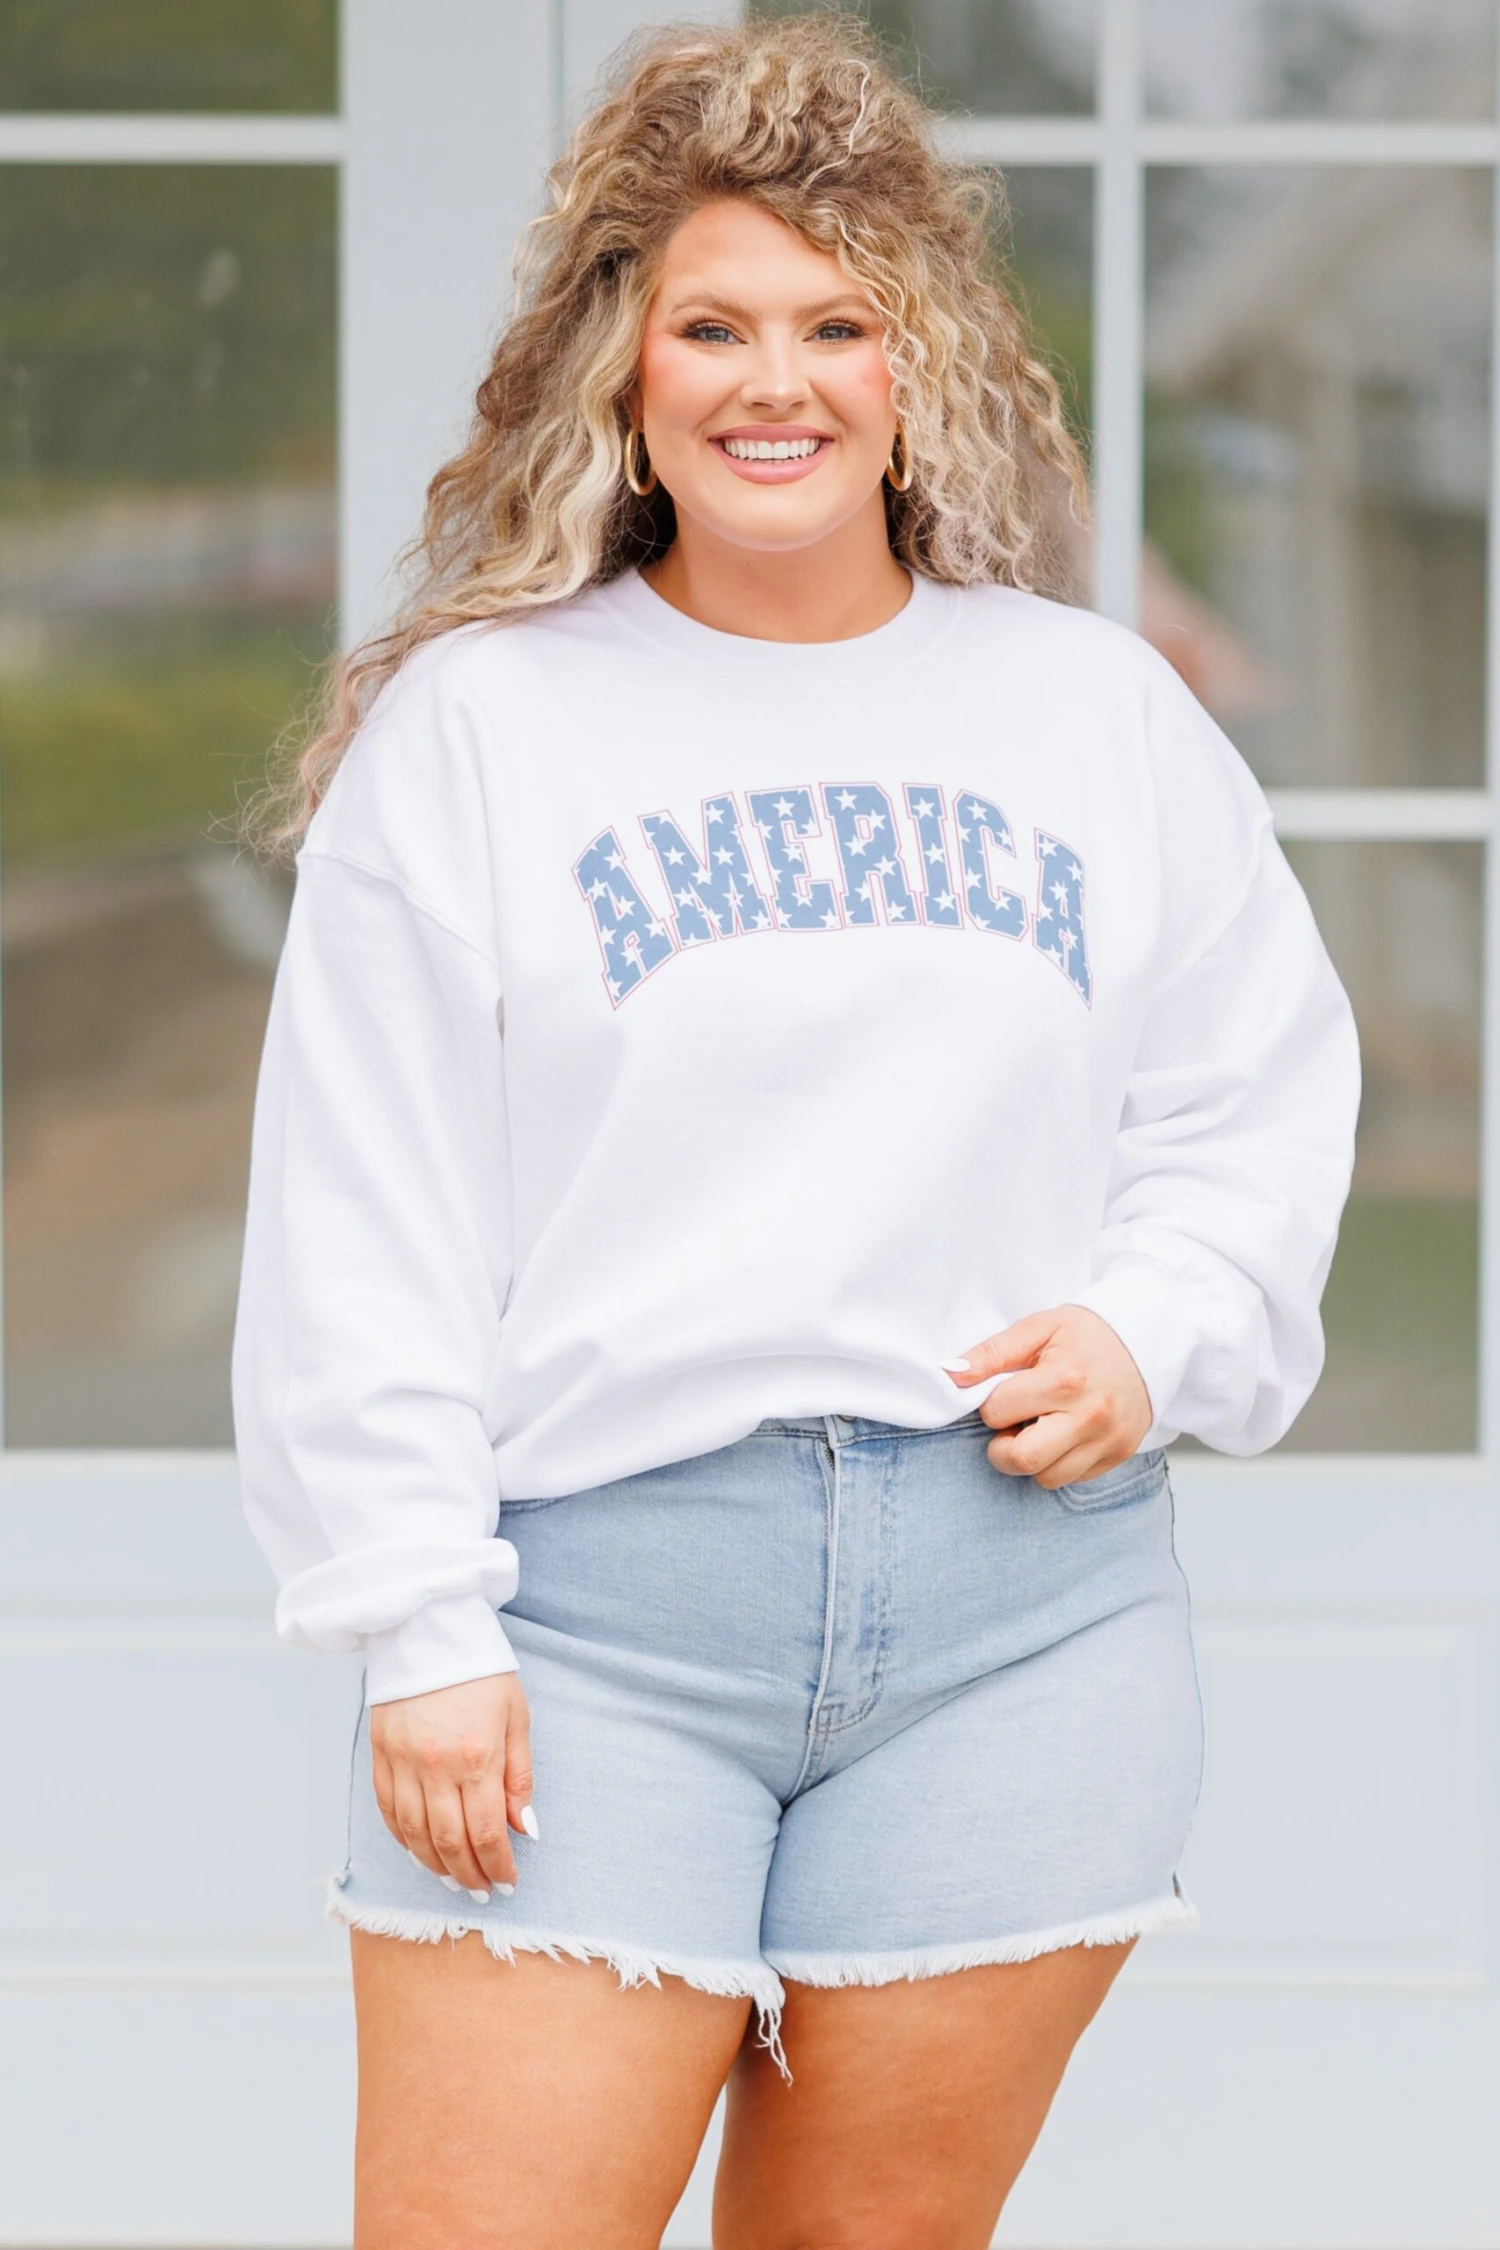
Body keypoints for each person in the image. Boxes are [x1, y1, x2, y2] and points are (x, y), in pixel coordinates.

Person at [232, 16, 1360, 2247]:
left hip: (1023, 1623)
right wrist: (417, 1621)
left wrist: (1154, 1324)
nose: (781, 384)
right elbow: (363, 1213)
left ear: (918, 361)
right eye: (715, 327)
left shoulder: (1090, 714)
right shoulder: (486, 730)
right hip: (591, 1621)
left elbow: (1253, 1098)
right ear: (621, 371)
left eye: (839, 325)